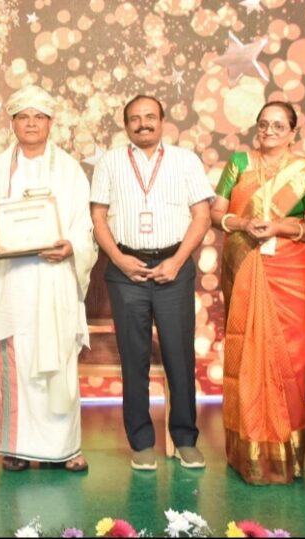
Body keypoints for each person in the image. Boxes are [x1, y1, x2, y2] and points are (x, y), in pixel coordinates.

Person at [0, 85, 97, 472]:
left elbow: (84, 226)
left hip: (55, 278)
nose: (31, 123)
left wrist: (70, 248)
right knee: (15, 357)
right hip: (13, 284)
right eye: (23, 116)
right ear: (12, 123)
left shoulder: (70, 170)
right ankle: (17, 446)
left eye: (39, 117)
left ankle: (65, 448)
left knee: (58, 362)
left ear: (50, 123)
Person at [89, 95, 214, 471]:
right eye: (134, 119)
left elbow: (202, 216)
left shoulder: (185, 160)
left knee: (179, 357)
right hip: (126, 268)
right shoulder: (110, 162)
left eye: (149, 117)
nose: (142, 124)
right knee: (134, 358)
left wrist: (177, 262)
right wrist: (120, 260)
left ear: (162, 121)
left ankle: (185, 439)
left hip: (174, 267)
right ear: (125, 125)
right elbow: (98, 218)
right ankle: (141, 442)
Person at [209, 101, 305, 485]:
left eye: (279, 125)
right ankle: (248, 452)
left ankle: (286, 452)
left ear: (294, 132)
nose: (270, 131)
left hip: (291, 271)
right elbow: (216, 213)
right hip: (244, 263)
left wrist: (279, 228)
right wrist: (242, 222)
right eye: (264, 124)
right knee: (246, 353)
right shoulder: (238, 164)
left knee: (290, 356)